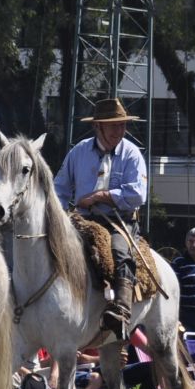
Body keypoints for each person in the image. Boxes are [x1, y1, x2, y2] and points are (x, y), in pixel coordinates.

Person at [52, 97, 147, 340]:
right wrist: (60, 217)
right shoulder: (79, 152)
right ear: (98, 127)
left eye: (122, 125)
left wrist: (101, 196)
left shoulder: (132, 153)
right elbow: (60, 188)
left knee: (119, 251)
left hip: (119, 220)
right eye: (113, 125)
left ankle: (122, 309)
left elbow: (138, 194)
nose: (120, 130)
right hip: (82, 219)